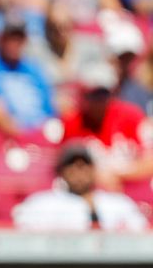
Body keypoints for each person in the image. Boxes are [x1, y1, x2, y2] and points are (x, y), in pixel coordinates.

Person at [60, 62, 153, 190]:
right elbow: (65, 168)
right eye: (93, 94)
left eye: (102, 93)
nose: (98, 100)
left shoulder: (132, 116)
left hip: (135, 190)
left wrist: (118, 176)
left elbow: (150, 162)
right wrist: (97, 176)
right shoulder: (72, 123)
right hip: (90, 194)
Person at [13, 145, 149, 231]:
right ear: (61, 171)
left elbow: (139, 234)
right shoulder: (42, 204)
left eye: (84, 165)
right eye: (72, 165)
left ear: (93, 169)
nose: (79, 170)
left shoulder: (118, 203)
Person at [0, 13, 56, 138]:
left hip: (41, 135)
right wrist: (26, 138)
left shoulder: (33, 68)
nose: (15, 43)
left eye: (19, 38)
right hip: (6, 140)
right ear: (0, 39)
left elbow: (50, 110)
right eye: (10, 38)